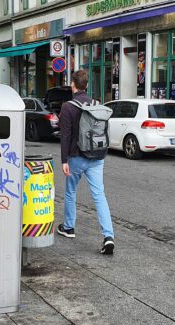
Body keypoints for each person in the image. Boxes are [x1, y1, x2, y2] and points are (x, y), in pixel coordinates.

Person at [56, 69, 115, 255]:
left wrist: (64, 160)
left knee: (71, 192)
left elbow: (65, 135)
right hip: (97, 157)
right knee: (99, 195)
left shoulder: (67, 107)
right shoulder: (96, 104)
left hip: (76, 157)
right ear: (87, 85)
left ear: (73, 85)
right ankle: (108, 236)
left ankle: (69, 228)